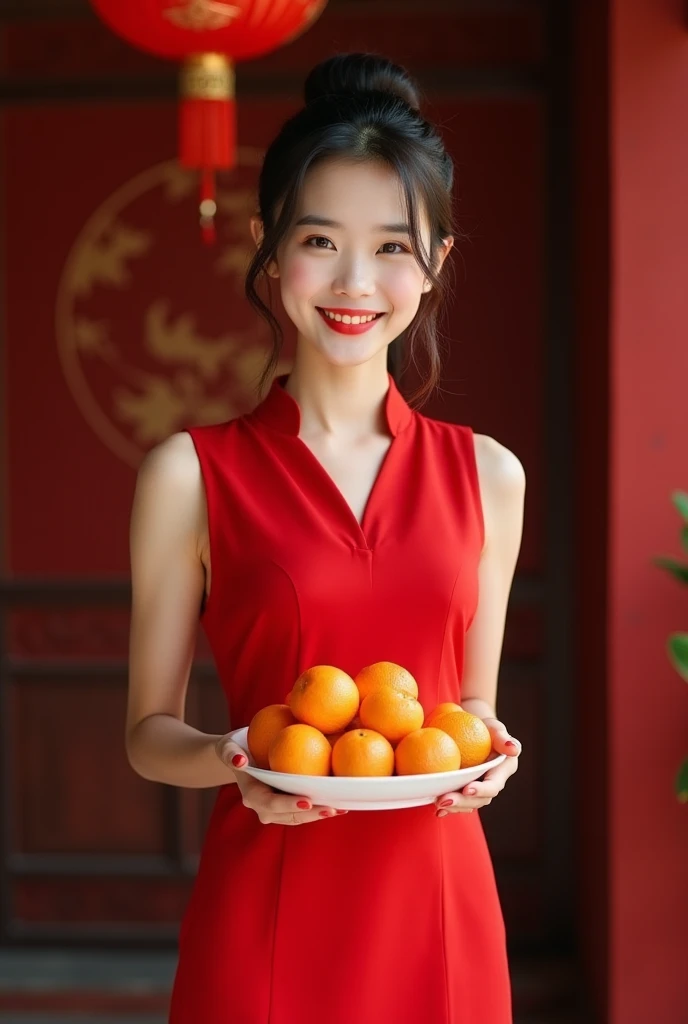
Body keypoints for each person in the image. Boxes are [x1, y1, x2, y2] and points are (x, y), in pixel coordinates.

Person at [127, 52, 525, 1024]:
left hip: (438, 908)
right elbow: (147, 735)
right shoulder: (190, 472)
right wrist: (234, 756)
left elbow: (471, 705)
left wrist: (496, 750)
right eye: (319, 239)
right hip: (264, 906)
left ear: (436, 265)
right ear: (267, 251)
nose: (355, 281)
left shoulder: (489, 476)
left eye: (394, 245)